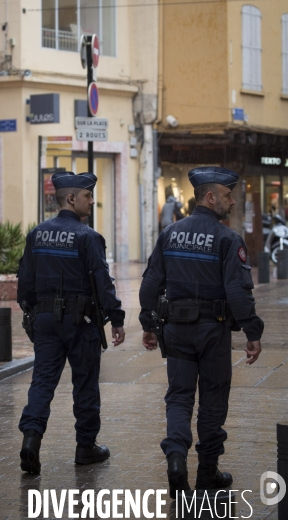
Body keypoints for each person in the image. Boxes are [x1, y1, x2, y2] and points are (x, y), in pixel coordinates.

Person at [139, 166, 264, 497]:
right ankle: (207, 472)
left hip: (176, 330)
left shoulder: (170, 233)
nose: (233, 202)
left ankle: (177, 460)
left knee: (179, 397)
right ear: (210, 197)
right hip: (213, 331)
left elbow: (150, 284)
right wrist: (252, 331)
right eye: (227, 195)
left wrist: (148, 324)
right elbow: (238, 293)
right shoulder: (227, 239)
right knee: (212, 398)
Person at [17, 171, 125, 474]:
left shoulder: (37, 234)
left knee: (42, 382)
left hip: (46, 320)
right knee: (86, 385)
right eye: (88, 196)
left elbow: (24, 283)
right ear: (70, 198)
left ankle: (31, 439)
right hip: (81, 321)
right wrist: (116, 318)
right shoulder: (88, 237)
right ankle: (85, 447)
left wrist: (33, 312)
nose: (92, 201)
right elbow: (102, 283)